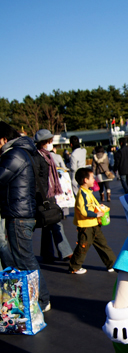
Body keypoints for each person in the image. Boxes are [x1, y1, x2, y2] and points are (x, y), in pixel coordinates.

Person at [0, 121, 50, 312]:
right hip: (20, 213)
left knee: (25, 260)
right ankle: (36, 298)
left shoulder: (15, 154)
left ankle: (42, 300)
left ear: (3, 139)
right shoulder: (21, 152)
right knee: (23, 259)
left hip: (19, 215)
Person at [33, 129, 73, 263]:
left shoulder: (47, 155)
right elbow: (36, 178)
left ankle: (47, 254)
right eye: (50, 141)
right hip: (43, 195)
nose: (51, 143)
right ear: (44, 142)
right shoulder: (38, 157)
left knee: (47, 222)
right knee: (55, 221)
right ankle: (66, 252)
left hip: (47, 194)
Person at [68, 167, 116, 275]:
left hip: (93, 224)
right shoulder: (82, 194)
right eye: (92, 178)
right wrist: (96, 214)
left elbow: (91, 205)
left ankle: (112, 264)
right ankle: (74, 267)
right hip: (86, 226)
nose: (94, 179)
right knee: (83, 246)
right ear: (85, 180)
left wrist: (98, 207)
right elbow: (83, 211)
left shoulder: (87, 192)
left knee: (102, 244)